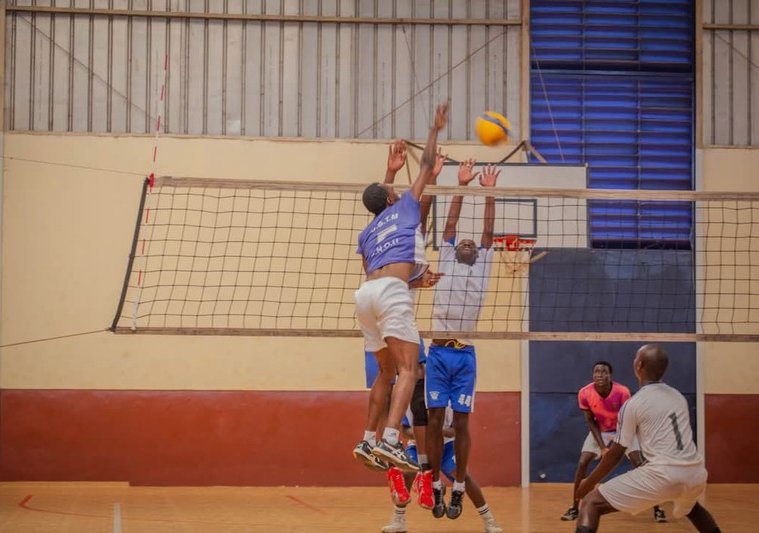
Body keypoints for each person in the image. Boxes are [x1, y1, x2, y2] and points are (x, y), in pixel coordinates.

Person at [352, 100, 449, 472]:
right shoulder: (406, 206)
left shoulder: (367, 233)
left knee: (386, 372)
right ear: (392, 199)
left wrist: (389, 171)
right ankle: (391, 440)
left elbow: (373, 269)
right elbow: (425, 165)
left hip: (366, 295)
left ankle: (368, 438)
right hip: (392, 293)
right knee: (409, 370)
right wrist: (434, 129)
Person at [575, 344, 722, 533]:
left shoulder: (634, 403)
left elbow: (615, 454)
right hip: (696, 473)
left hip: (663, 475)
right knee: (692, 508)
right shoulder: (678, 397)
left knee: (590, 502)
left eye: (636, 358)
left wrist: (588, 483)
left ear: (639, 365)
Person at [425, 160, 501, 519]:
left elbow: (488, 231)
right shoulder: (447, 259)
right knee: (434, 419)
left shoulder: (483, 265)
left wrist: (489, 193)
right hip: (438, 352)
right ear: (454, 250)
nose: (468, 243)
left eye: (473, 244)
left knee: (462, 423)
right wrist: (461, 185)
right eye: (463, 243)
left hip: (465, 355)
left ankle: (457, 488)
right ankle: (434, 485)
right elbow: (451, 225)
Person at [561, 361, 666, 523]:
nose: (600, 375)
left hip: (623, 429)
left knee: (641, 465)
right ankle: (574, 507)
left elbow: (628, 420)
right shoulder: (585, 392)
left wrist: (619, 445)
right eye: (597, 372)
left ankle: (658, 509)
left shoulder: (622, 392)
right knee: (582, 463)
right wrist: (602, 447)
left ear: (610, 375)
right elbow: (590, 421)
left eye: (604, 372)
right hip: (600, 431)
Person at [382, 406, 503, 533]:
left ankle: (489, 520)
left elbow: (454, 431)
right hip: (417, 447)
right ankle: (398, 520)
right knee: (406, 473)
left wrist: (435, 430)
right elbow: (405, 431)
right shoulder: (410, 403)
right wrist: (423, 432)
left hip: (447, 446)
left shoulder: (447, 401)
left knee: (463, 477)